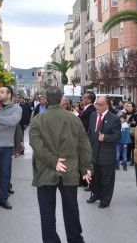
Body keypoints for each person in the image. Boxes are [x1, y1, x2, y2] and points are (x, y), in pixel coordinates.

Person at [29, 86, 92, 243]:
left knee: (47, 212)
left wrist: (53, 161)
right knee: (71, 209)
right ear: (62, 98)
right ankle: (76, 239)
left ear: (46, 99)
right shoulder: (74, 119)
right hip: (69, 169)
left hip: (44, 170)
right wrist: (86, 168)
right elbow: (84, 145)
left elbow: (36, 145)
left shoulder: (37, 120)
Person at [86, 96, 121, 208]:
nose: (98, 106)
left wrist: (106, 137)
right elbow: (90, 132)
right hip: (93, 152)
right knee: (94, 177)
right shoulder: (92, 115)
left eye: (100, 104)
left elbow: (117, 136)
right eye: (97, 104)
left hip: (106, 154)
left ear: (107, 105)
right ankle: (96, 194)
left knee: (107, 179)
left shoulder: (114, 118)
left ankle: (105, 200)